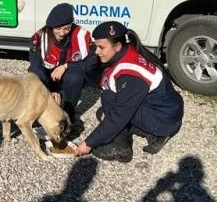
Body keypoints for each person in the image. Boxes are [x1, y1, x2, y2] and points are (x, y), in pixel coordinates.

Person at [74, 21, 184, 162]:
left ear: (117, 46)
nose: (96, 51)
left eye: (101, 47)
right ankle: (137, 132)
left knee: (110, 100)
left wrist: (89, 143)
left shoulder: (131, 75)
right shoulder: (128, 51)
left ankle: (123, 148)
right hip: (164, 109)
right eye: (96, 46)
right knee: (102, 112)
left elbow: (119, 115)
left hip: (164, 120)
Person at [28, 3, 96, 134]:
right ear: (51, 26)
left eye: (67, 28)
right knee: (33, 76)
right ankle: (42, 114)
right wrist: (47, 91)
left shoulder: (82, 36)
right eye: (58, 28)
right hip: (47, 77)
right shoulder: (39, 38)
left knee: (76, 76)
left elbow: (92, 62)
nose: (62, 33)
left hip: (68, 77)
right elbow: (35, 66)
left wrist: (66, 66)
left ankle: (69, 115)